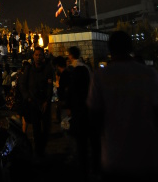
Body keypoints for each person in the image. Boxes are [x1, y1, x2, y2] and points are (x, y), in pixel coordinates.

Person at [87, 30, 158, 180]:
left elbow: (94, 119)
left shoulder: (100, 77)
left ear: (110, 49)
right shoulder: (149, 74)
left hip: (114, 156)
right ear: (131, 47)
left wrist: (95, 158)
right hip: (146, 155)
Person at [19, 45, 54, 159]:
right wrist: (27, 97)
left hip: (44, 103)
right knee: (36, 129)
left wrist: (47, 101)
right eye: (36, 55)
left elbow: (49, 87)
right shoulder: (29, 69)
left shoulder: (47, 69)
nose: (38, 57)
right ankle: (38, 152)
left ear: (43, 56)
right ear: (33, 56)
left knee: (46, 129)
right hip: (33, 103)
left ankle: (41, 149)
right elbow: (22, 84)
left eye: (40, 55)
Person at [65, 46, 91, 180]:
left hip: (76, 106)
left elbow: (70, 89)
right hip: (85, 105)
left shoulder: (72, 69)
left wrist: (68, 105)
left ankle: (77, 158)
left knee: (75, 134)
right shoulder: (86, 68)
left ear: (70, 55)